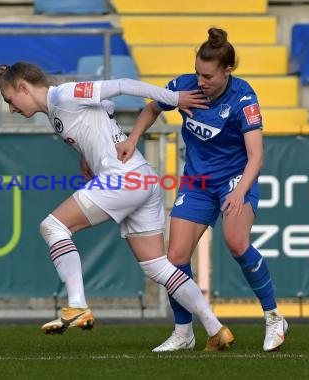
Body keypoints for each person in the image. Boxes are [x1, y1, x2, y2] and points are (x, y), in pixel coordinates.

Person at [0, 61, 234, 352]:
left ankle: (77, 304)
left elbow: (123, 85)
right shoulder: (57, 111)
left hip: (124, 179)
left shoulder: (64, 95)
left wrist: (174, 99)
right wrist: (87, 157)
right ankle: (216, 330)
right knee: (157, 266)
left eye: (9, 100)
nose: (11, 108)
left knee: (53, 226)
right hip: (141, 177)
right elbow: (104, 110)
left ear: (23, 87)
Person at [115, 27, 288, 352]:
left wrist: (239, 192)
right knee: (175, 257)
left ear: (228, 71)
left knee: (237, 244)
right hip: (197, 182)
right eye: (197, 72)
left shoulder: (243, 98)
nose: (201, 80)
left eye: (207, 75)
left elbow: (256, 156)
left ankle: (274, 316)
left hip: (235, 179)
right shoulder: (184, 86)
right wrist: (133, 137)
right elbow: (153, 107)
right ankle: (184, 332)